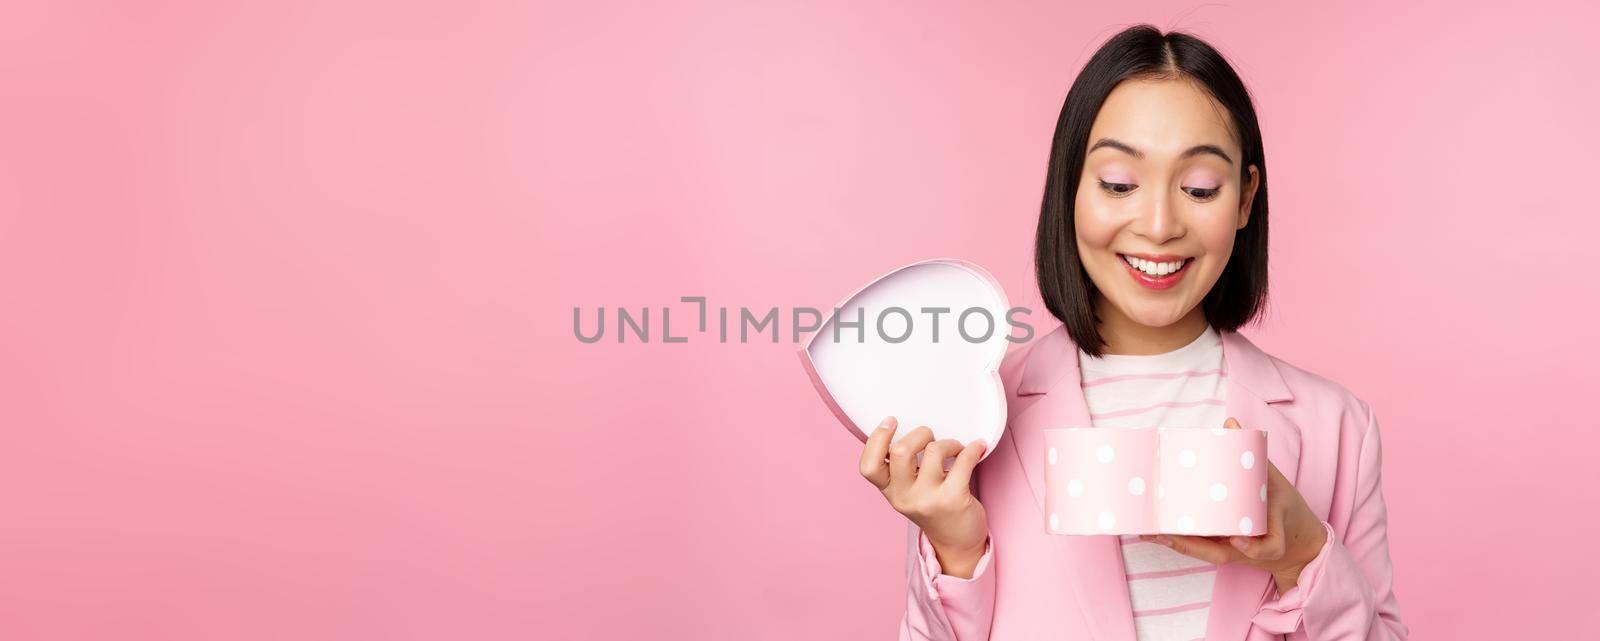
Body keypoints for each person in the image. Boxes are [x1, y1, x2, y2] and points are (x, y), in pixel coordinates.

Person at [856, 25, 1408, 641]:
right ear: (1070, 188)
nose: (1159, 225)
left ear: (1246, 198)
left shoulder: (1338, 428)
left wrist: (1301, 552)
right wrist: (956, 551)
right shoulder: (977, 415)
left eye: (1200, 188)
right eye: (1119, 183)